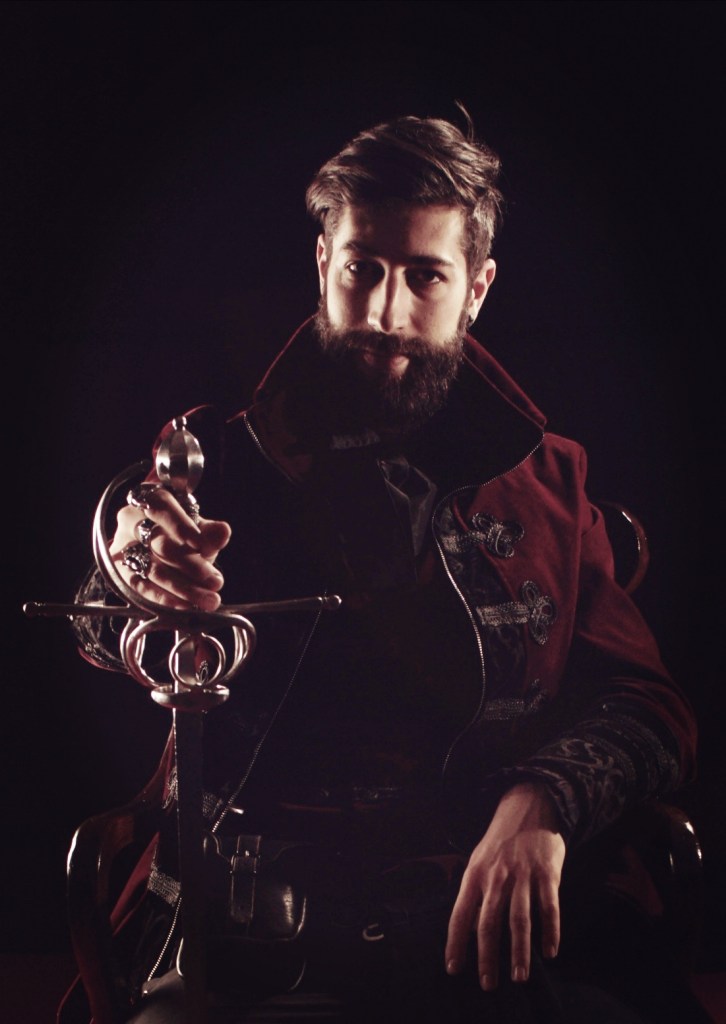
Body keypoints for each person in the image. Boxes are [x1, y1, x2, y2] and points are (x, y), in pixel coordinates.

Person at [61, 113, 706, 1024]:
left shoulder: (550, 481)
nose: (383, 314)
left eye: (425, 276)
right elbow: (102, 627)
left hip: (492, 943)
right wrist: (130, 571)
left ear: (476, 289)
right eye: (361, 268)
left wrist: (544, 802)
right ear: (323, 262)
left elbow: (651, 707)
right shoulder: (216, 460)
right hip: (259, 946)